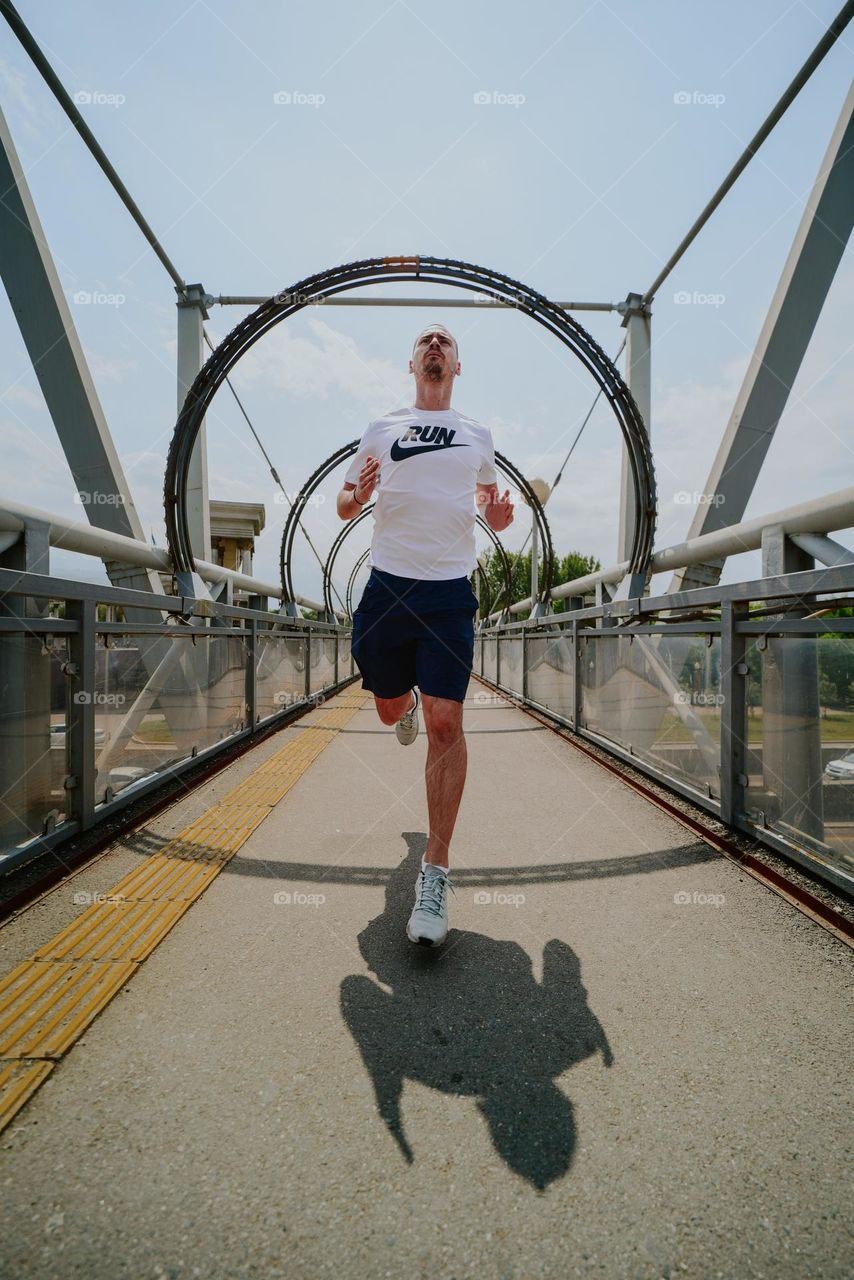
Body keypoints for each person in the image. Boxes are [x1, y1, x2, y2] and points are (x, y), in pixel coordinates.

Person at [336, 324, 514, 947]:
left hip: (446, 594)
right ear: (412, 362)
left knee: (447, 722)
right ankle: (400, 702)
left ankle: (435, 873)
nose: (435, 345)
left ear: (457, 366)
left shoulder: (478, 435)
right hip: (388, 589)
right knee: (391, 714)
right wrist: (354, 493)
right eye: (425, 340)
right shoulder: (383, 427)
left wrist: (497, 514)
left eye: (445, 341)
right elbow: (343, 503)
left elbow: (493, 505)